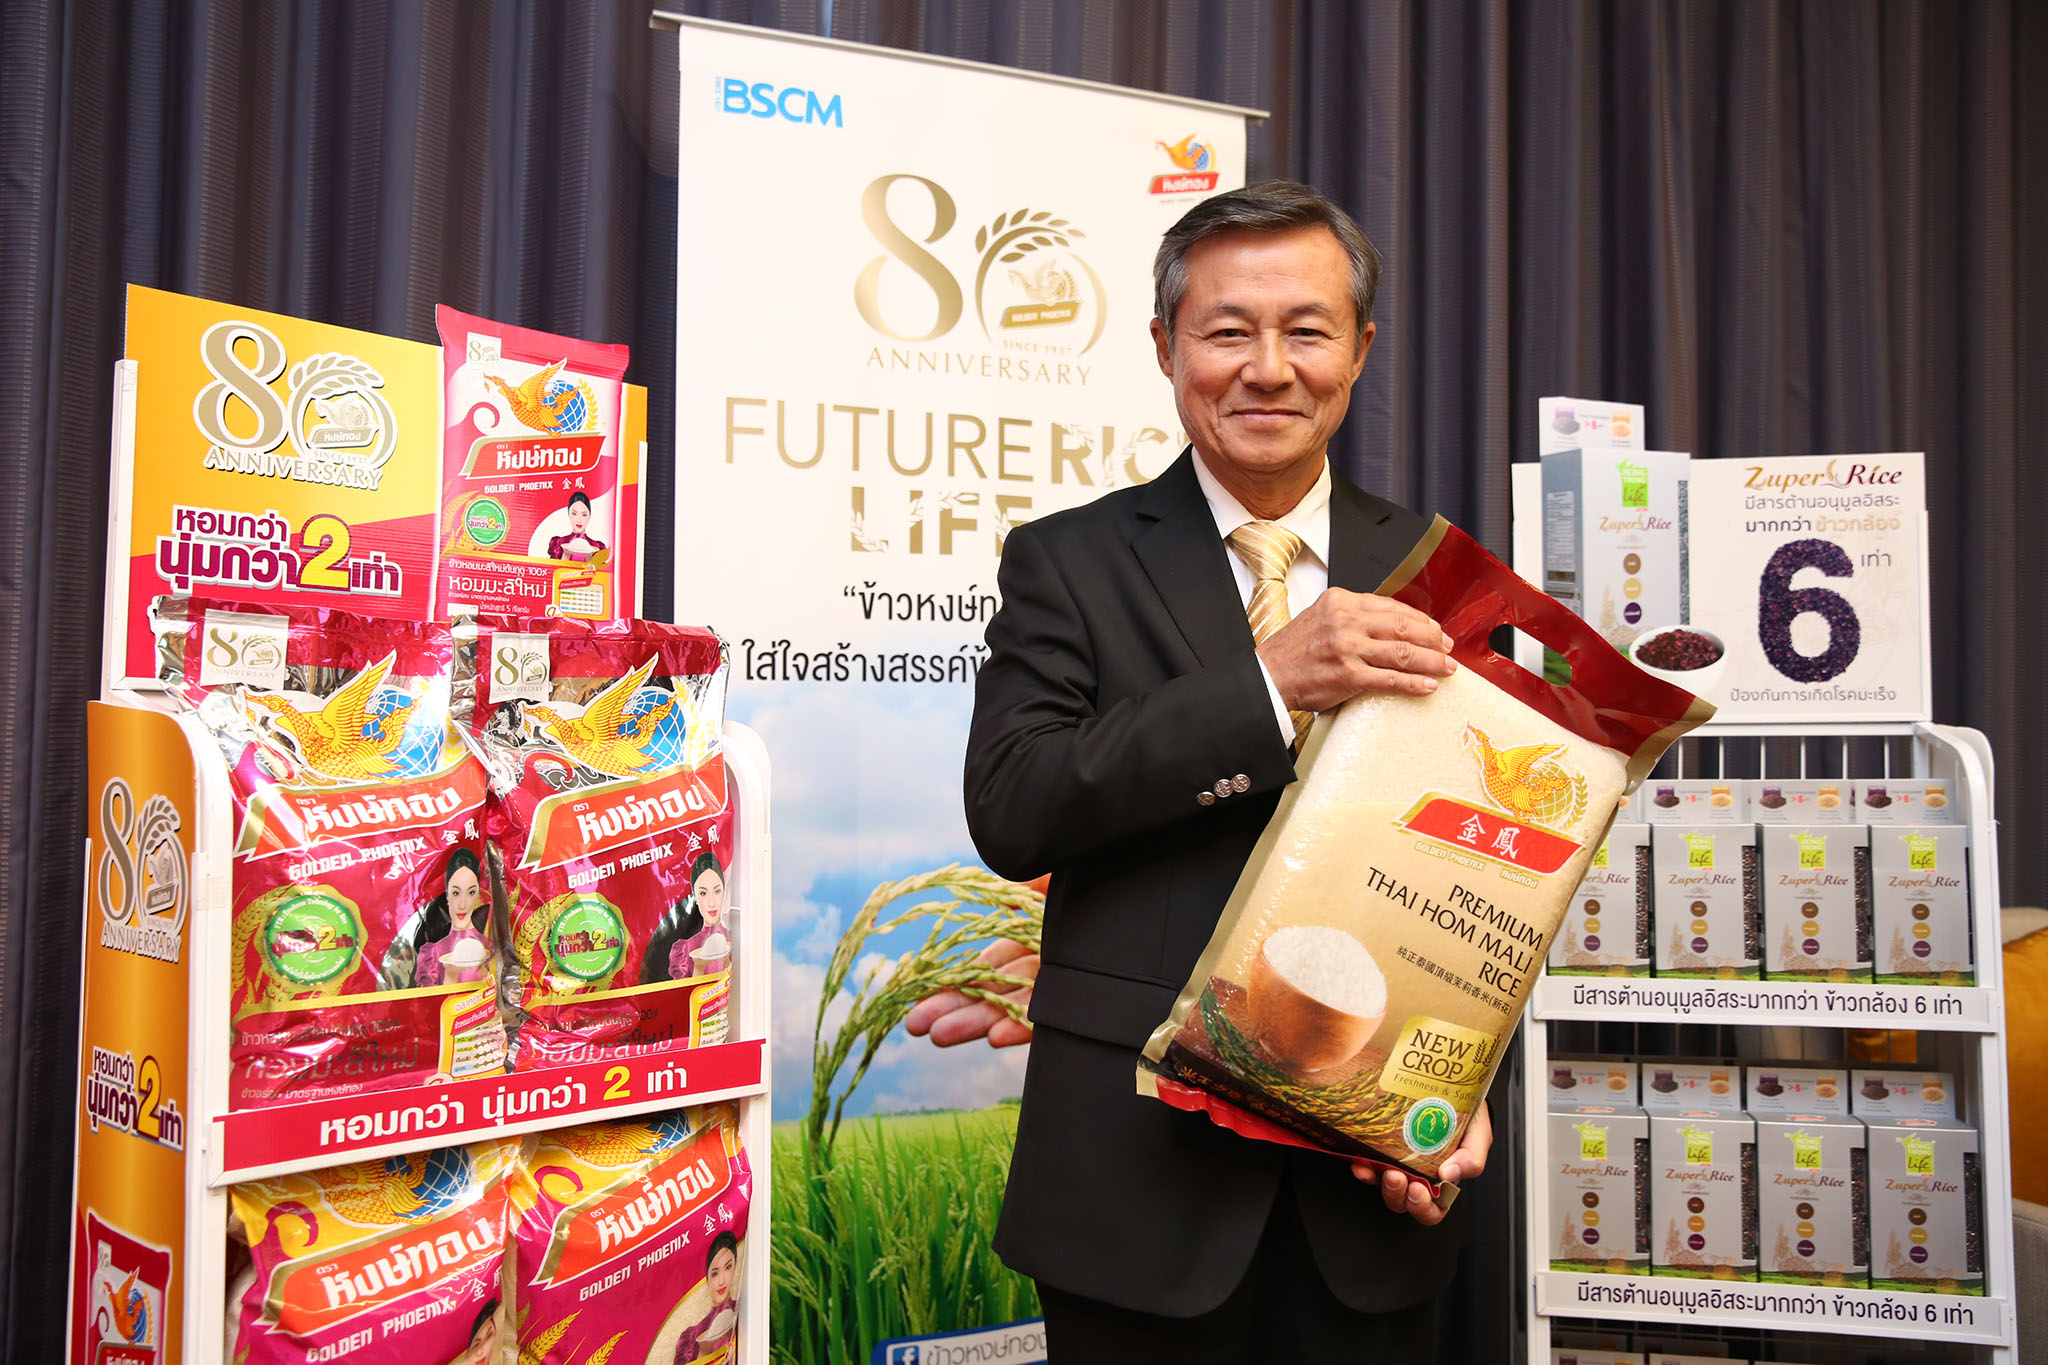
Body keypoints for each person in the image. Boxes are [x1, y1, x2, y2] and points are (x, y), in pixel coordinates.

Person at [957, 181, 1490, 1360]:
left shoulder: (1437, 568)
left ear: (1359, 348)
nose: (1268, 368)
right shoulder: (1067, 560)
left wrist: (1461, 1081)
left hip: (1372, 1177)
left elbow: (1478, 865)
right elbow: (1012, 805)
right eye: (1226, 331)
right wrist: (1265, 686)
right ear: (1165, 347)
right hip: (1134, 1184)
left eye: (1305, 330)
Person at [641, 851, 731, 983]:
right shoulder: (685, 950)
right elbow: (684, 992)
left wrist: (727, 961)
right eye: (703, 893)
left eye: (717, 891)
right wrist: (699, 967)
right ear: (694, 895)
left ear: (724, 891)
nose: (712, 902)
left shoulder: (733, 939)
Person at [413, 847, 492, 987]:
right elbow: (429, 998)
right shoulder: (432, 954)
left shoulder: (491, 946)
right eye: (456, 893)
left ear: (478, 893)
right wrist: (451, 974)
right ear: (447, 895)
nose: (462, 905)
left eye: (471, 892)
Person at [672, 1230, 740, 1362]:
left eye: (728, 1267)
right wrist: (704, 1350)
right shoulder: (690, 1338)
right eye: (715, 1274)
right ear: (707, 1279)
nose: (721, 1281)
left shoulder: (744, 1311)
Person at [547, 489, 607, 562]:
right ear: (569, 514)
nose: (579, 520)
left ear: (589, 516)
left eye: (584, 515)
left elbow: (598, 569)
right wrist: (566, 554)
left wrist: (589, 556)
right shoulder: (559, 543)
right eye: (574, 514)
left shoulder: (597, 547)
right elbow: (554, 568)